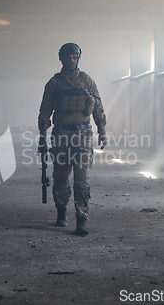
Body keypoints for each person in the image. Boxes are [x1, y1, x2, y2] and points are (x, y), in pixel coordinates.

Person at [38, 43, 107, 235]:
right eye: (68, 57)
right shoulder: (54, 83)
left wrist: (102, 130)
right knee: (61, 176)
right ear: (62, 58)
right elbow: (45, 112)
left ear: (79, 58)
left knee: (82, 177)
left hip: (83, 134)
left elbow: (98, 106)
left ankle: (81, 217)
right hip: (61, 135)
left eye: (75, 57)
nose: (72, 59)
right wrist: (42, 137)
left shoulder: (87, 81)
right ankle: (61, 211)